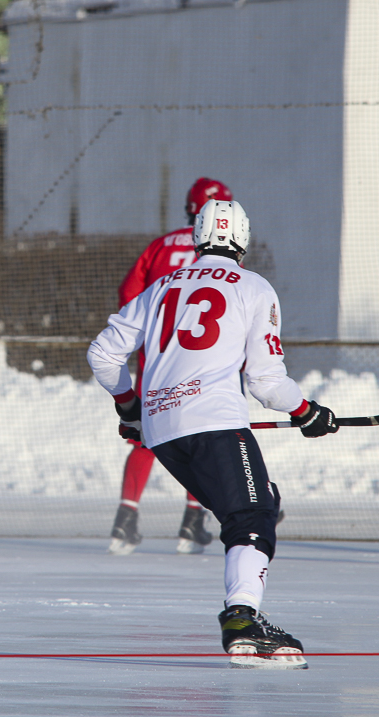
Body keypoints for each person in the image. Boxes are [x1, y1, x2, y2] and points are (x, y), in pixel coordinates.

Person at [88, 199, 338, 668]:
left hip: (163, 433)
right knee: (253, 516)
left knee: (257, 502)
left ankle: (245, 612)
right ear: (242, 240)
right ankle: (242, 620)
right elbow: (266, 382)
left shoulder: (162, 285)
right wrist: (308, 412)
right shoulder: (254, 287)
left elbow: (103, 354)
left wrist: (130, 407)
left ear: (197, 236)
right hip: (215, 423)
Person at [107, 176, 231, 555]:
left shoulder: (161, 245)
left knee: (148, 426)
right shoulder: (217, 254)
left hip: (156, 353)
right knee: (200, 430)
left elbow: (129, 293)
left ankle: (125, 520)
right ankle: (193, 521)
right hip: (200, 357)